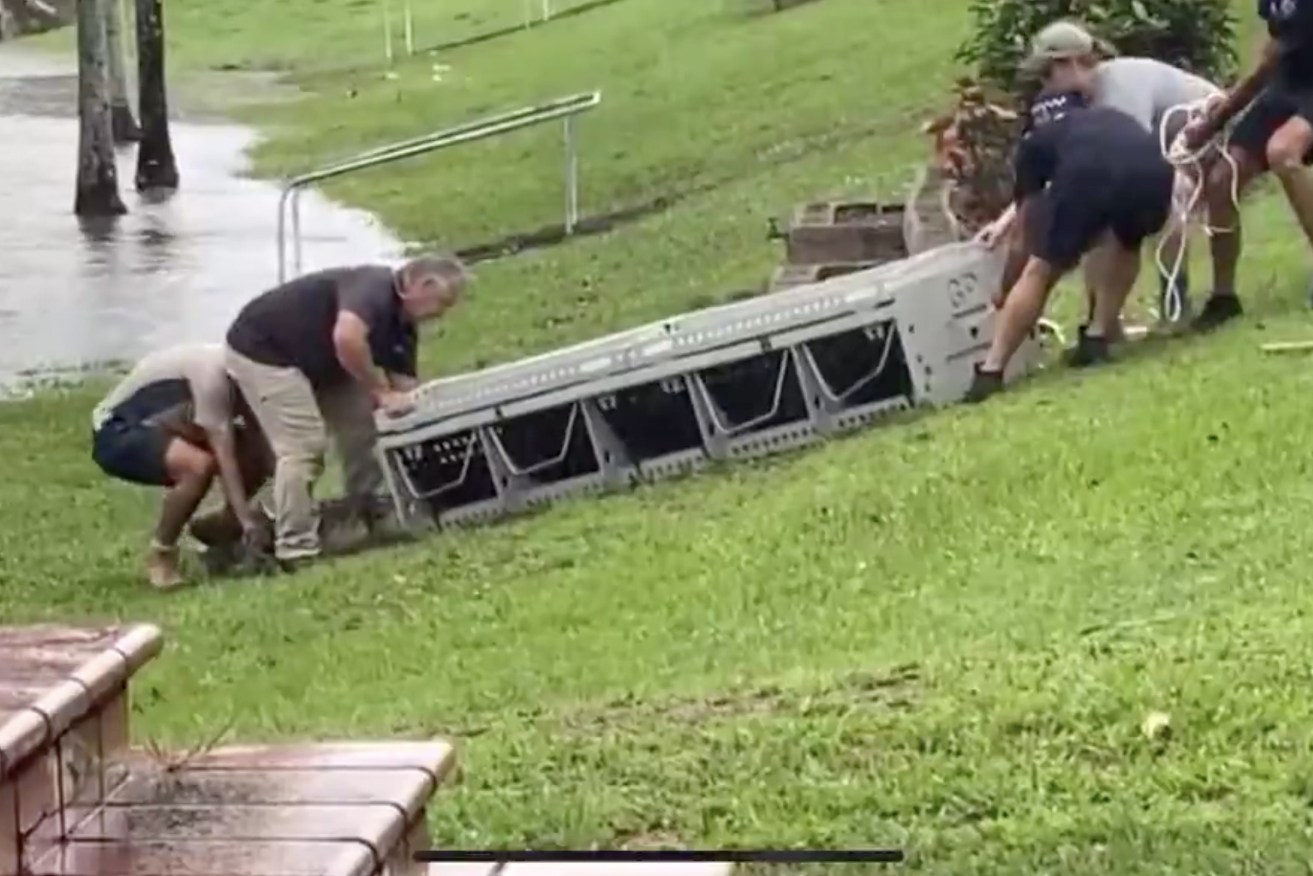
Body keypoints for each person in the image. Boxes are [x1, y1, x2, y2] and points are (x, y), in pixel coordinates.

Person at [224, 255, 469, 569]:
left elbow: (407, 389)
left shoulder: (403, 327)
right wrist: (380, 391)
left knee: (367, 426)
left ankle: (370, 511)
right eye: (443, 302)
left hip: (322, 356)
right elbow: (347, 337)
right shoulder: (374, 288)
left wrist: (428, 415)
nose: (442, 314)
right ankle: (295, 546)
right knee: (304, 447)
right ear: (424, 285)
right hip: (265, 350)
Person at [981, 21, 1223, 332]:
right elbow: (1053, 178)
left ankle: (1175, 307)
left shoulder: (1119, 90)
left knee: (1170, 194)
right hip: (1167, 145)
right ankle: (1103, 322)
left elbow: (1136, 160)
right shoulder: (1086, 101)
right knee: (1099, 214)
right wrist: (1004, 224)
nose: (1044, 86)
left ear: (1072, 63)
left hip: (1213, 135)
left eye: (1046, 74)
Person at [966, 87, 1176, 403]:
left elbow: (1024, 236)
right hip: (1153, 168)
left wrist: (1005, 289)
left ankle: (991, 371)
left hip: (1086, 172)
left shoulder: (1034, 144)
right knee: (1127, 242)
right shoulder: (1108, 116)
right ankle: (1097, 337)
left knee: (1041, 269)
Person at [91, 344, 271, 589]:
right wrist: (247, 519)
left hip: (172, 422)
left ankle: (220, 529)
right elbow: (223, 449)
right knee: (197, 467)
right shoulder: (211, 372)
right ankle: (161, 553)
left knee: (256, 454)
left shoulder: (252, 376)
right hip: (117, 429)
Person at [1182, 0, 1313, 331]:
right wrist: (1216, 120)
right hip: (1287, 89)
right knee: (1222, 177)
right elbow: (1270, 57)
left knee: (1283, 152)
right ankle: (1223, 297)